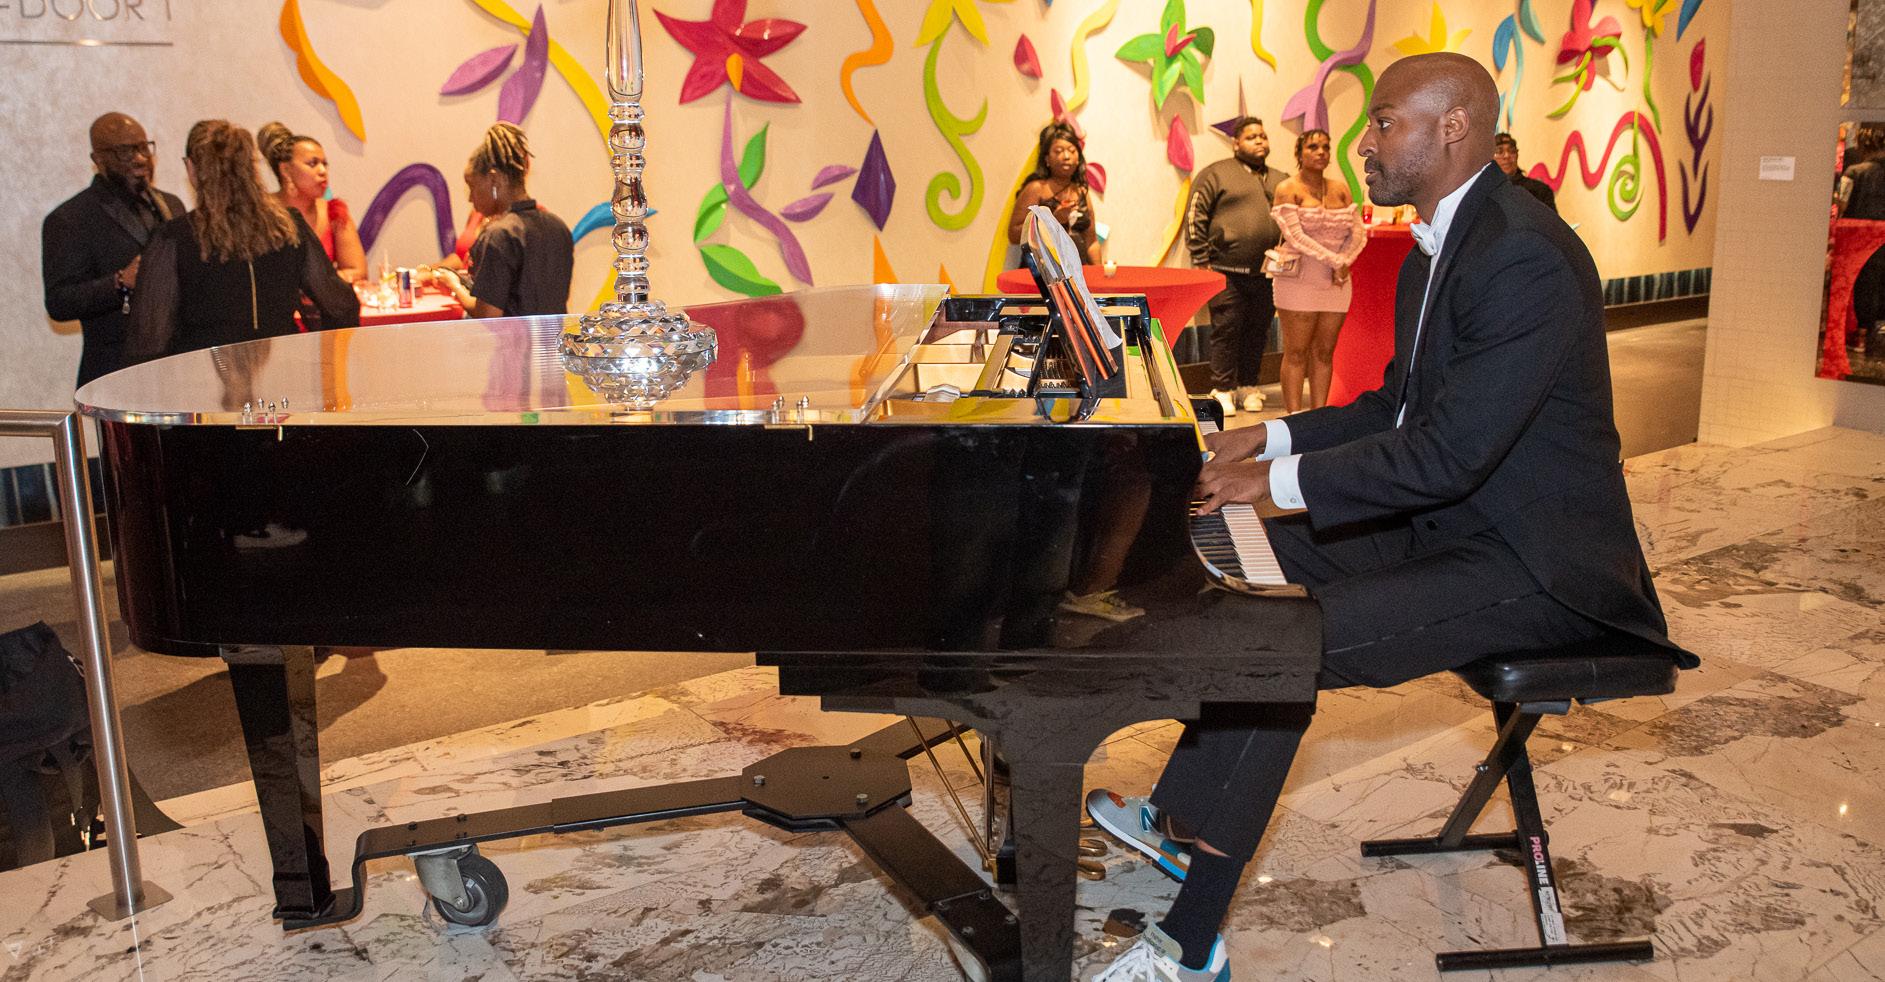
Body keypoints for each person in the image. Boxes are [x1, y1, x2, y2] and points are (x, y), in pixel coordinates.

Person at [1086, 53, 1691, 982]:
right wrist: (1267, 436)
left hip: (1536, 562)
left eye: (1382, 122)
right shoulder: (1436, 245)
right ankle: (1181, 820)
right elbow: (1393, 409)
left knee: (1285, 643)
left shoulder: (1521, 253)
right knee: (1250, 585)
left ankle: (1192, 944)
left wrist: (1276, 483)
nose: (1363, 144)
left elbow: (1448, 452)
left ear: (1453, 128)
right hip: (1456, 523)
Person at [125, 120, 359, 364]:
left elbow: (149, 339)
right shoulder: (288, 226)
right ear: (251, 167)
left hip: (204, 376)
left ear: (192, 167)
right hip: (282, 371)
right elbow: (341, 306)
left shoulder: (174, 237)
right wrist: (324, 362)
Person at [42, 113, 188, 387]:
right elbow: (59, 303)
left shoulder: (173, 205)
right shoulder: (70, 218)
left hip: (176, 371)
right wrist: (120, 282)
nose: (140, 158)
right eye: (125, 151)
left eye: (144, 147)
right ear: (98, 159)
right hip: (113, 374)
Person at [1188, 117, 1289, 417]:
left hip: (1268, 273)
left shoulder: (1281, 179)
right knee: (1226, 330)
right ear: (1236, 143)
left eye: (1263, 136)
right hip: (1224, 271)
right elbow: (1196, 215)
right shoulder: (1216, 173)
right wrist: (1201, 260)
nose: (1259, 141)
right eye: (1251, 137)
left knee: (1258, 331)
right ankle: (1222, 389)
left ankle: (1248, 386)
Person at [1270, 129, 1367, 413]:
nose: (1321, 152)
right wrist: (1335, 261)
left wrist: (1345, 259)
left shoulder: (1340, 188)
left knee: (1324, 352)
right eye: (1313, 147)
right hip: (1299, 279)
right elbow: (1295, 235)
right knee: (1296, 351)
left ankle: (1319, 416)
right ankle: (1293, 417)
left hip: (1337, 279)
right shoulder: (1288, 188)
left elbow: (1357, 232)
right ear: (1299, 153)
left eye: (1326, 146)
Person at [432, 123, 572, 318]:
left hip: (512, 338)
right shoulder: (558, 227)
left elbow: (488, 314)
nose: (470, 198)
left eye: (472, 187)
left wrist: (455, 285)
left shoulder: (499, 235)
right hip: (551, 337)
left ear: (494, 180)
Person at [257, 122, 367, 284]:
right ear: (285, 170)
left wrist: (316, 287)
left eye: (325, 164)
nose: (323, 171)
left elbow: (357, 271)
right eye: (313, 163)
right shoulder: (260, 213)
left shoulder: (334, 212)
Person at [1007, 122, 1100, 267]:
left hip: (1077, 272)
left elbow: (1091, 242)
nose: (1066, 156)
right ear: (1047, 159)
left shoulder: (1081, 191)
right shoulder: (1036, 189)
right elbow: (1013, 235)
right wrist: (1052, 220)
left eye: (1072, 151)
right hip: (1042, 272)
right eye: (1058, 151)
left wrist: (1099, 273)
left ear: (1078, 158)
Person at [1493, 132, 1556, 212]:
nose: (1507, 156)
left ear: (1517, 155)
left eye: (1512, 151)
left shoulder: (1539, 190)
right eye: (1499, 152)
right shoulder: (1485, 192)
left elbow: (1551, 219)